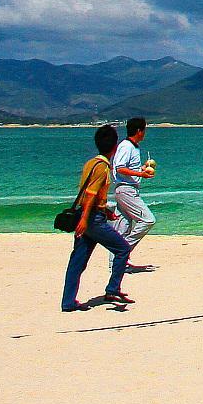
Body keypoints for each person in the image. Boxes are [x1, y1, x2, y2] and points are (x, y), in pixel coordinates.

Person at [61, 123, 131, 312]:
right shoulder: (103, 167)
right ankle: (113, 288)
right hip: (92, 219)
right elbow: (91, 193)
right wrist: (85, 220)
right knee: (122, 249)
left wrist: (105, 209)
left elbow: (90, 193)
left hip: (91, 214)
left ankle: (68, 301)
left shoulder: (90, 163)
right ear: (115, 147)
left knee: (78, 260)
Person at [112, 116, 157, 271]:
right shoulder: (126, 146)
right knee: (148, 220)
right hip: (126, 189)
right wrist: (141, 175)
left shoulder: (133, 147)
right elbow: (120, 168)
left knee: (122, 227)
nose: (145, 133)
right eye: (144, 129)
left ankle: (116, 264)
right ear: (139, 131)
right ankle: (123, 251)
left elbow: (126, 168)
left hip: (126, 188)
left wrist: (142, 169)